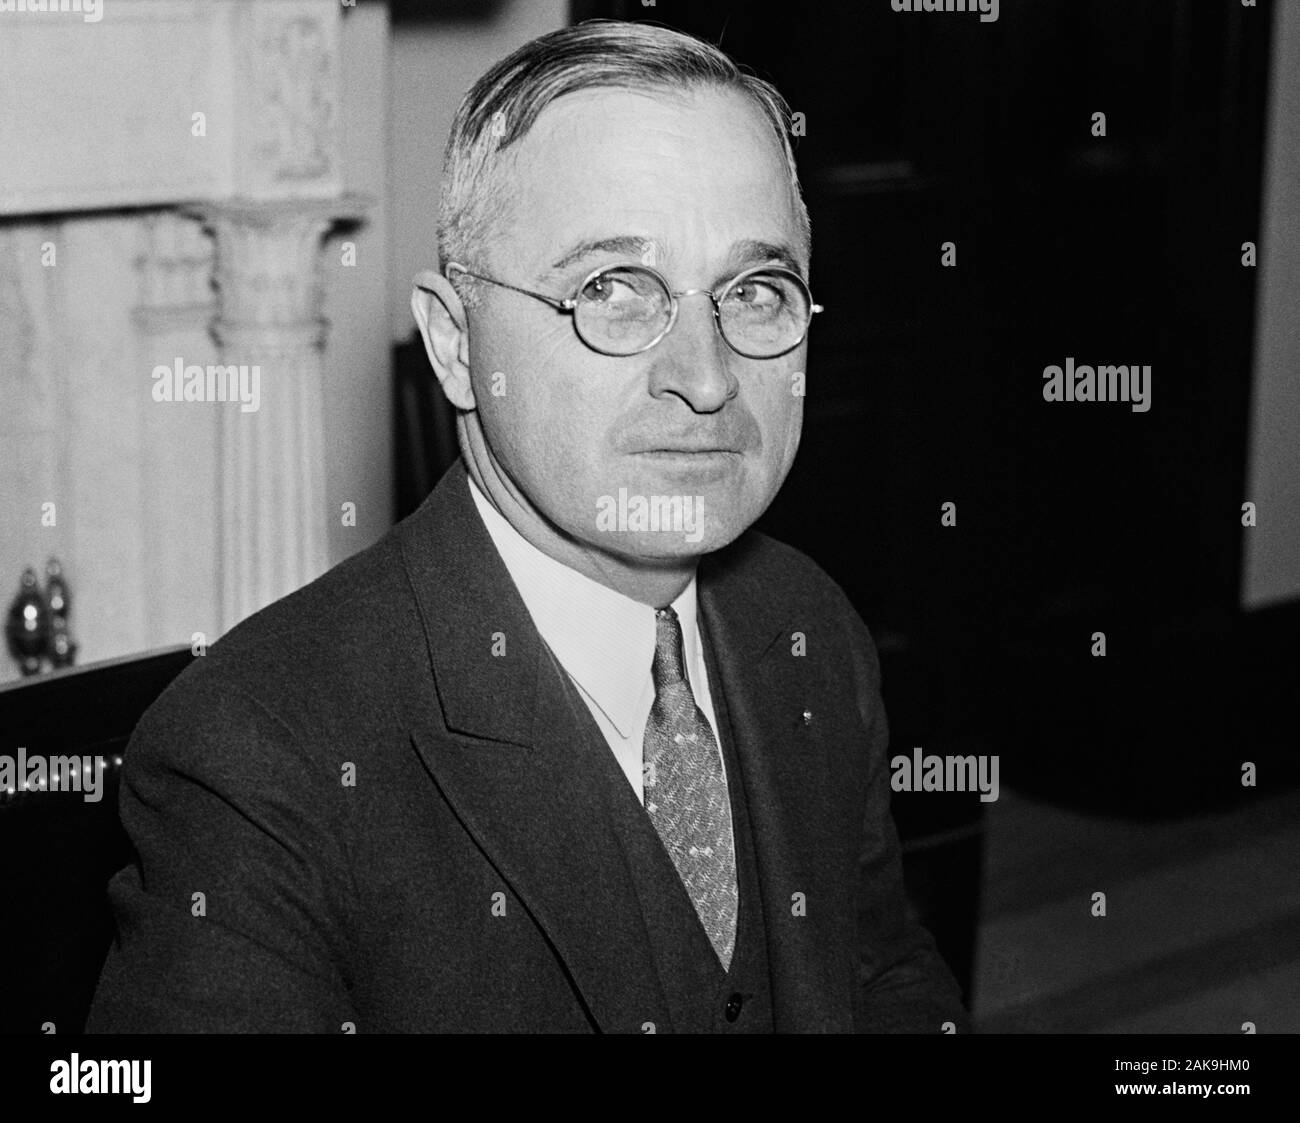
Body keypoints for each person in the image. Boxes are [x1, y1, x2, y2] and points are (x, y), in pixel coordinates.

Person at [88, 19, 971, 1034]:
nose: (707, 375)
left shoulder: (804, 623)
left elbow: (882, 971)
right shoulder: (259, 751)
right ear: (456, 345)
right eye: (611, 289)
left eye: (755, 290)